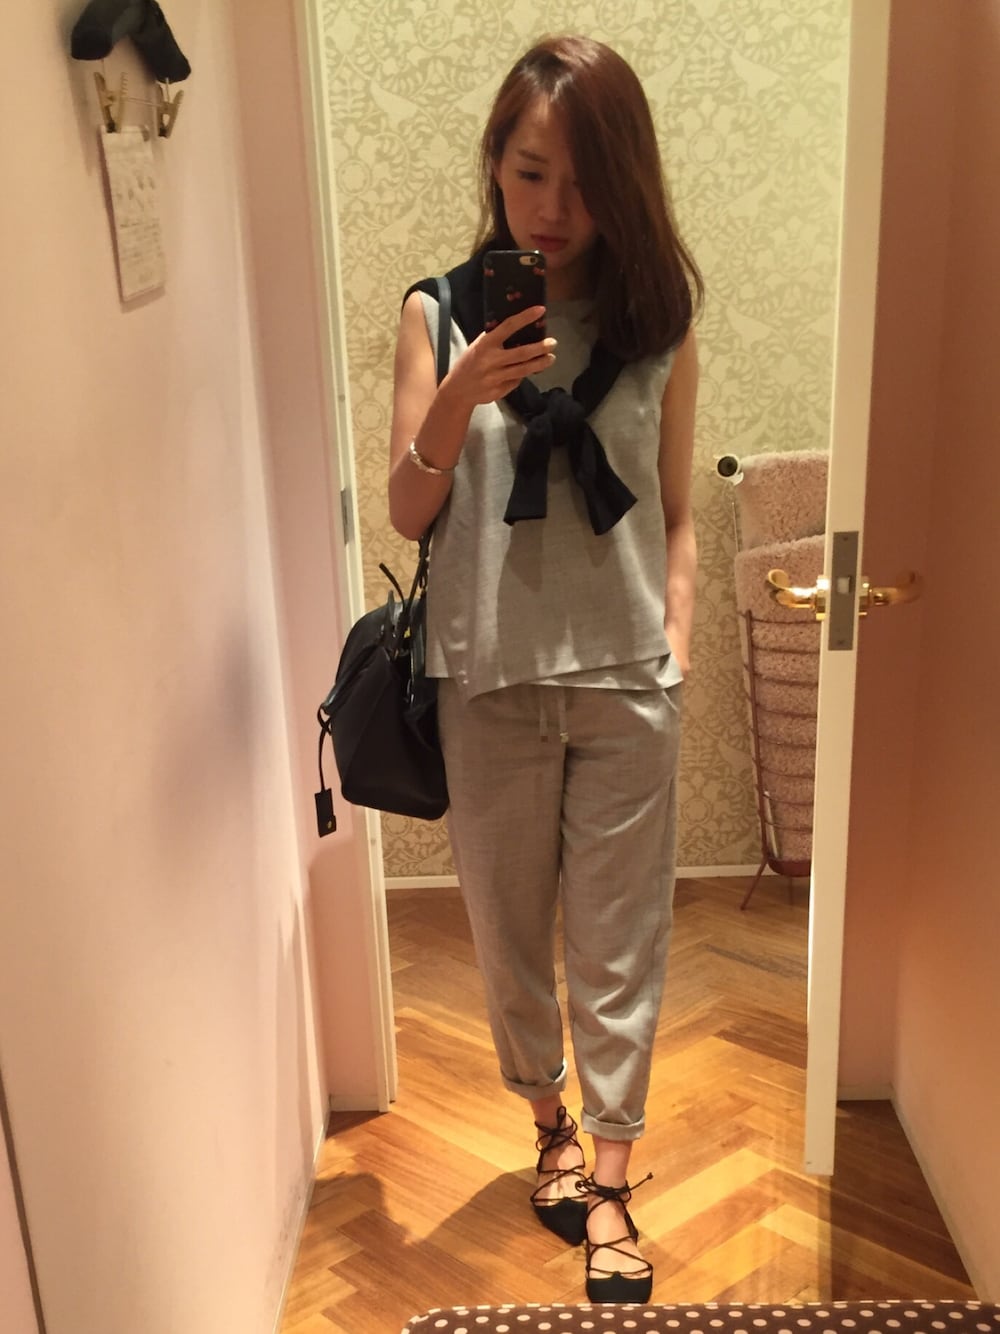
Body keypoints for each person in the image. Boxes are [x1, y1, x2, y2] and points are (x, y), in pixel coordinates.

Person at [387, 34, 701, 1303]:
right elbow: (408, 509)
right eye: (529, 175)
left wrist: (675, 636)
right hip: (490, 675)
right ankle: (549, 1127)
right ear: (494, 168)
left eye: (583, 181)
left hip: (626, 675)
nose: (554, 209)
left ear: (626, 183)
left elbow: (677, 508)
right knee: (512, 936)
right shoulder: (436, 311)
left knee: (621, 940)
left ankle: (612, 1181)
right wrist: (458, 390)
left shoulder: (657, 322)